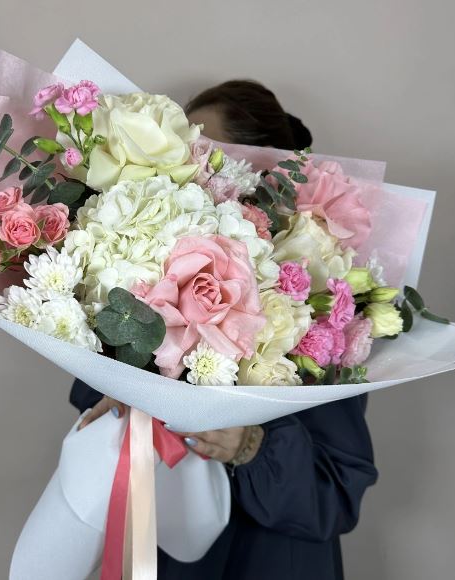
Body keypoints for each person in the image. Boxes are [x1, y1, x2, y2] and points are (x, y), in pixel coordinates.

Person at [70, 80, 378, 580]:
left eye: (209, 159)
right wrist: (126, 386)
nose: (193, 175)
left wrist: (252, 446)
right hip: (166, 558)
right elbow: (90, 408)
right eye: (183, 157)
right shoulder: (137, 282)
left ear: (262, 176)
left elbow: (338, 496)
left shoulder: (318, 316)